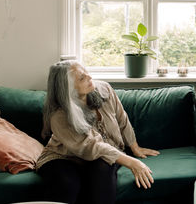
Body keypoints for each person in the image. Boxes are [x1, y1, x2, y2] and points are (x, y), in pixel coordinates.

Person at [36, 60, 160, 204]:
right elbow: (91, 146)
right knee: (68, 184)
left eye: (86, 72)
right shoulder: (59, 116)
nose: (89, 77)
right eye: (82, 78)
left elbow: (121, 118)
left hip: (101, 154)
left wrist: (134, 147)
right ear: (68, 88)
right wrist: (133, 163)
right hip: (63, 157)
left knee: (102, 169)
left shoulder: (104, 89)